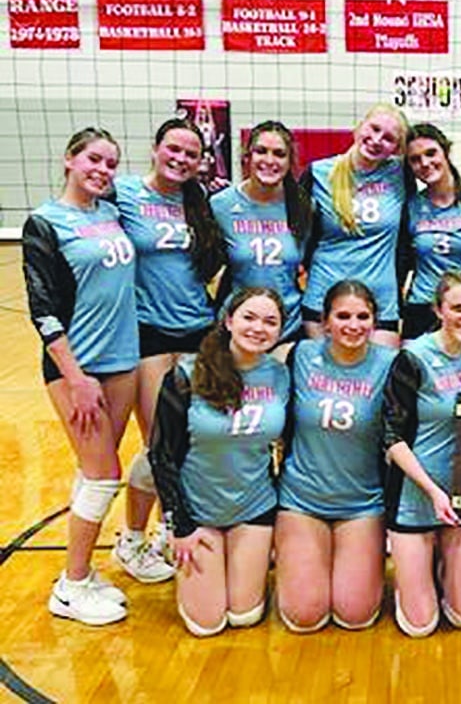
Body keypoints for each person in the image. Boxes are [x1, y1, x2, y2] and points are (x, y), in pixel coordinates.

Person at [23, 127, 138, 626]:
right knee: (103, 473)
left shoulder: (111, 213)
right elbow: (43, 309)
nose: (103, 170)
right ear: (70, 159)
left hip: (123, 359)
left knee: (96, 472)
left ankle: (85, 571)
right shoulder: (45, 223)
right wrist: (76, 377)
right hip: (80, 367)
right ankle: (70, 586)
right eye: (94, 159)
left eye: (111, 163)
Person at [113, 118, 226, 584]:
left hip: (198, 327)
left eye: (191, 153)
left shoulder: (201, 202)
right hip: (150, 332)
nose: (181, 159)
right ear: (155, 148)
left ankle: (165, 529)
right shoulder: (123, 194)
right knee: (160, 440)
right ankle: (131, 538)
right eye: (173, 149)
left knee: (194, 437)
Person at [149, 287, 289, 637]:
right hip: (198, 514)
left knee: (244, 615)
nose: (259, 328)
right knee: (206, 624)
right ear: (228, 321)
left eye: (270, 321)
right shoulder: (186, 376)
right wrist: (180, 526)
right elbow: (161, 455)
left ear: (280, 331)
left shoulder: (280, 375)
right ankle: (179, 551)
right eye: (249, 317)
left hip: (253, 509)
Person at [276, 280, 395, 632]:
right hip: (302, 500)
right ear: (325, 322)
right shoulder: (298, 355)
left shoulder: (392, 363)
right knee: (305, 616)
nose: (353, 325)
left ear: (375, 322)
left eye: (363, 316)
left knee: (354, 614)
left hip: (363, 503)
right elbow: (241, 360)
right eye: (343, 316)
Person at [382, 269, 461, 637]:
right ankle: (419, 571)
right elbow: (392, 436)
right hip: (418, 492)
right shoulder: (412, 357)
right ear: (439, 309)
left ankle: (445, 563)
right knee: (419, 625)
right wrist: (432, 491)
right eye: (458, 308)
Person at [302, 104, 409, 346]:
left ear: (397, 148)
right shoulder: (319, 172)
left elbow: (440, 182)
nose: (377, 140)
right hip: (324, 298)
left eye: (389, 138)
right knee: (325, 381)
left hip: (380, 302)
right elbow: (297, 232)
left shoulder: (401, 174)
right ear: (359, 127)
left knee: (376, 380)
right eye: (374, 129)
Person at [211, 121, 312, 347]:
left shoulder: (305, 206)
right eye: (261, 151)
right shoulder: (221, 205)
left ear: (289, 161)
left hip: (288, 326)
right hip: (240, 327)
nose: (269, 160)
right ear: (248, 156)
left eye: (279, 154)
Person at [399, 123, 461, 340]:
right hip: (422, 307)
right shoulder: (410, 206)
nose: (425, 163)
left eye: (431, 153)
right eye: (415, 159)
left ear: (445, 151)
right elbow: (402, 262)